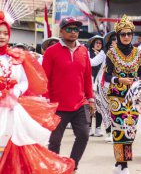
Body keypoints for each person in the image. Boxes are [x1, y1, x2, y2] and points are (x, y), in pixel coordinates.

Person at [0, 12, 75, 173]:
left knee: (16, 147)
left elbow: (24, 81)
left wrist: (14, 90)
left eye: (5, 33)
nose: (2, 36)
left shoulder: (16, 57)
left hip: (13, 109)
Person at [43, 17, 95, 171]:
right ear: (61, 31)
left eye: (76, 29)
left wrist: (91, 98)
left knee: (84, 135)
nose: (73, 32)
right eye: (69, 29)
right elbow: (44, 78)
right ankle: (54, 168)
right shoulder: (51, 52)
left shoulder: (84, 51)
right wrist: (46, 103)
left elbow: (87, 77)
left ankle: (72, 166)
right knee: (54, 141)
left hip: (80, 104)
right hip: (57, 105)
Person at [103, 15, 141, 174]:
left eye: (129, 34)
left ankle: (121, 162)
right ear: (118, 36)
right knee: (119, 130)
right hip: (116, 97)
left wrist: (138, 83)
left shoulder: (139, 54)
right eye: (123, 34)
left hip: (133, 98)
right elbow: (106, 76)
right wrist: (119, 79)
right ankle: (123, 164)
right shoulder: (111, 54)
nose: (126, 37)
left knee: (130, 131)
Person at [87, 35, 105, 137]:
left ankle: (98, 127)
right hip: (90, 81)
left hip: (100, 83)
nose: (98, 45)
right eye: (97, 43)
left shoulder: (104, 54)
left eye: (100, 43)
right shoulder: (88, 54)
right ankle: (89, 127)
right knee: (90, 105)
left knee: (99, 106)